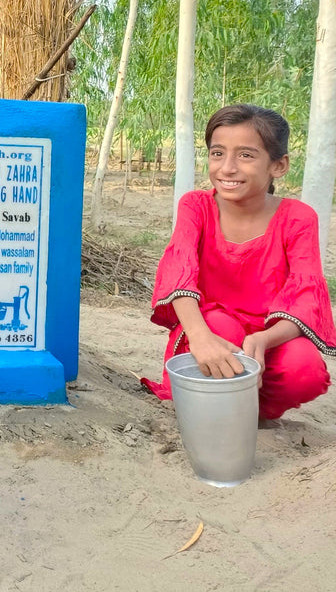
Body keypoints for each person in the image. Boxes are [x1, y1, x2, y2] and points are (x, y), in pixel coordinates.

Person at [141, 104, 335, 421]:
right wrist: (201, 338)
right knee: (222, 325)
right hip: (205, 334)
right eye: (217, 154)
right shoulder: (196, 206)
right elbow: (179, 273)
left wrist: (263, 339)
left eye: (245, 155)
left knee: (306, 368)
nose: (227, 168)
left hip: (265, 340)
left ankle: (250, 413)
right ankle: (204, 406)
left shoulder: (298, 218)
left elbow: (306, 296)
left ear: (279, 165)